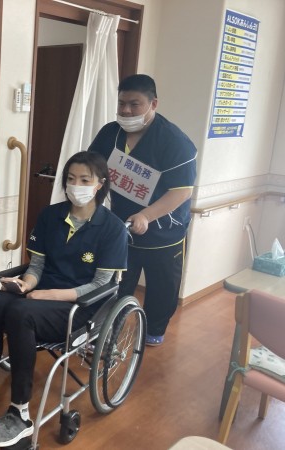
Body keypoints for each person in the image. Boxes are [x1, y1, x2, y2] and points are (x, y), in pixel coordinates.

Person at [0, 152, 128, 447]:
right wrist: (25, 284)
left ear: (100, 184)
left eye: (84, 180)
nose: (76, 186)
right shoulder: (51, 216)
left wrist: (49, 294)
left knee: (20, 314)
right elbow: (37, 266)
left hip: (79, 307)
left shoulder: (112, 228)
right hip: (38, 296)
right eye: (71, 179)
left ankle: (20, 412)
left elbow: (101, 284)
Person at [88, 74, 197, 347]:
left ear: (153, 104)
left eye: (134, 104)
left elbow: (182, 191)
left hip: (164, 229)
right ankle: (109, 328)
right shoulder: (110, 133)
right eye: (121, 103)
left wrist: (146, 215)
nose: (126, 110)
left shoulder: (174, 141)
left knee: (162, 287)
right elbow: (92, 168)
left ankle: (154, 329)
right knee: (117, 281)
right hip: (121, 226)